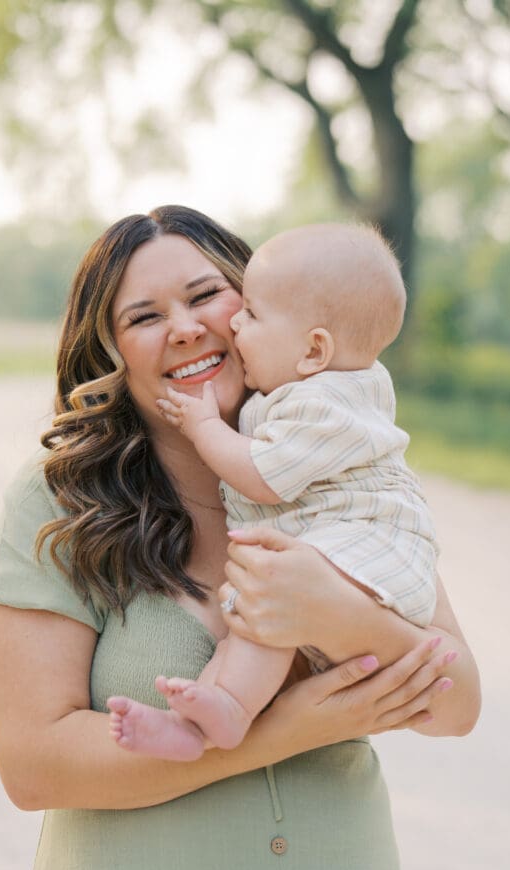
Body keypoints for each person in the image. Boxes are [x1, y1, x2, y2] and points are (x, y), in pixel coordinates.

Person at [0, 205, 480, 870]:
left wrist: (337, 614)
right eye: (143, 316)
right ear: (111, 350)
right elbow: (32, 764)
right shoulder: (57, 505)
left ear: (257, 308)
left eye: (206, 294)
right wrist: (286, 730)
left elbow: (457, 703)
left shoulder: (345, 470)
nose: (184, 329)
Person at [109, 222, 439, 761]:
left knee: (269, 616)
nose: (233, 323)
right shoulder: (318, 389)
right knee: (254, 626)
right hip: (339, 555)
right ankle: (201, 719)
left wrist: (204, 426)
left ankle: (228, 713)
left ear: (313, 351)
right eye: (145, 316)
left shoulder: (324, 404)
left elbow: (262, 474)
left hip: (363, 555)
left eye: (249, 313)